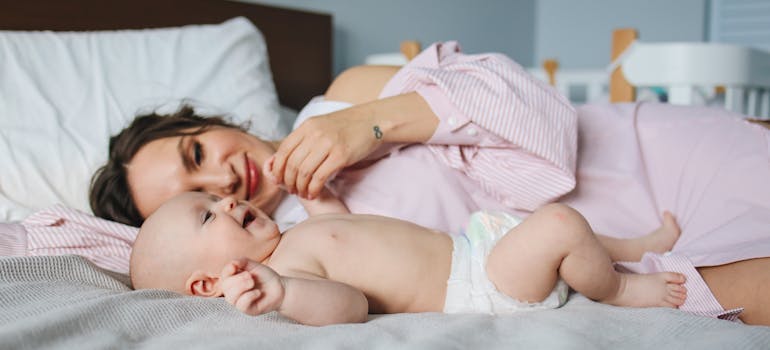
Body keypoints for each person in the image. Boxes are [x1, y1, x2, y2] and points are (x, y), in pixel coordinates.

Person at [91, 41, 770, 325]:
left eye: (198, 152)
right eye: (193, 201)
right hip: (577, 259)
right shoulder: (297, 254)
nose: (222, 180)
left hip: (624, 160)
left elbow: (537, 115)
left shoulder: (343, 98)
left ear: (215, 122)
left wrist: (373, 125)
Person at [129, 190, 686, 326]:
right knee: (559, 225)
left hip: (474, 245)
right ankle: (619, 288)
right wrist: (281, 293)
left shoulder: (297, 232)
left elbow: (341, 224)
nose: (225, 200)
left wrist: (317, 191)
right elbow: (348, 306)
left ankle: (634, 248)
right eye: (207, 216)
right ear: (205, 285)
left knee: (540, 219)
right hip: (480, 286)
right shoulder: (285, 272)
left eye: (212, 197)